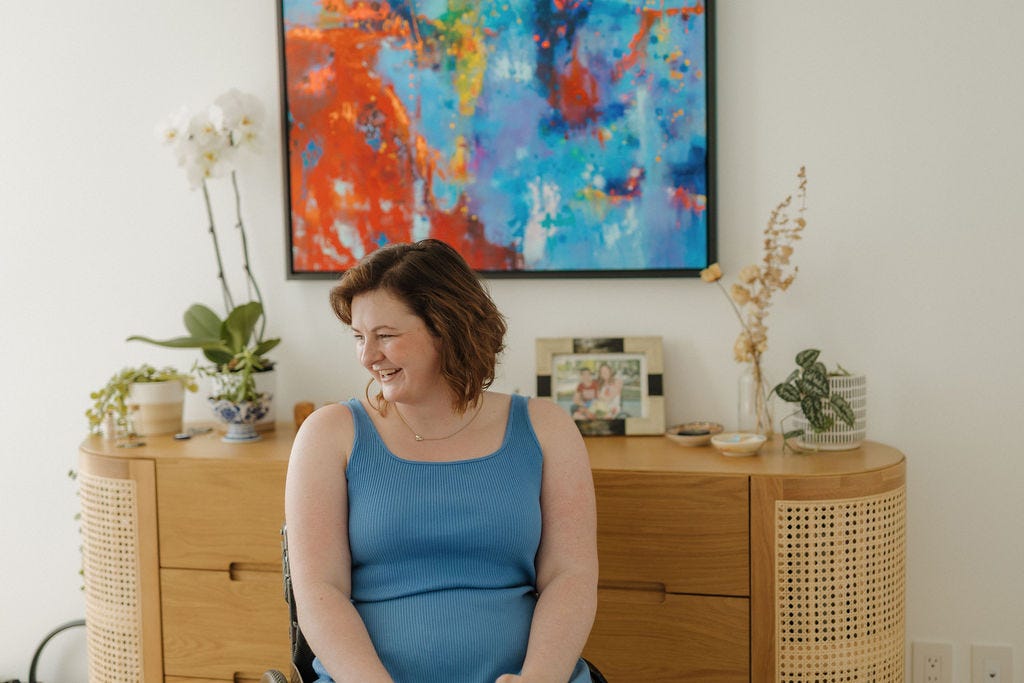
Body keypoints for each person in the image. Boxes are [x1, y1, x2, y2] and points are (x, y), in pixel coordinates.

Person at [285, 239, 599, 683]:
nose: (367, 356)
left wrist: (539, 679)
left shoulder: (546, 428)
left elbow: (571, 576)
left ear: (446, 327)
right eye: (359, 337)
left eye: (386, 336)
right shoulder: (328, 434)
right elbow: (320, 591)